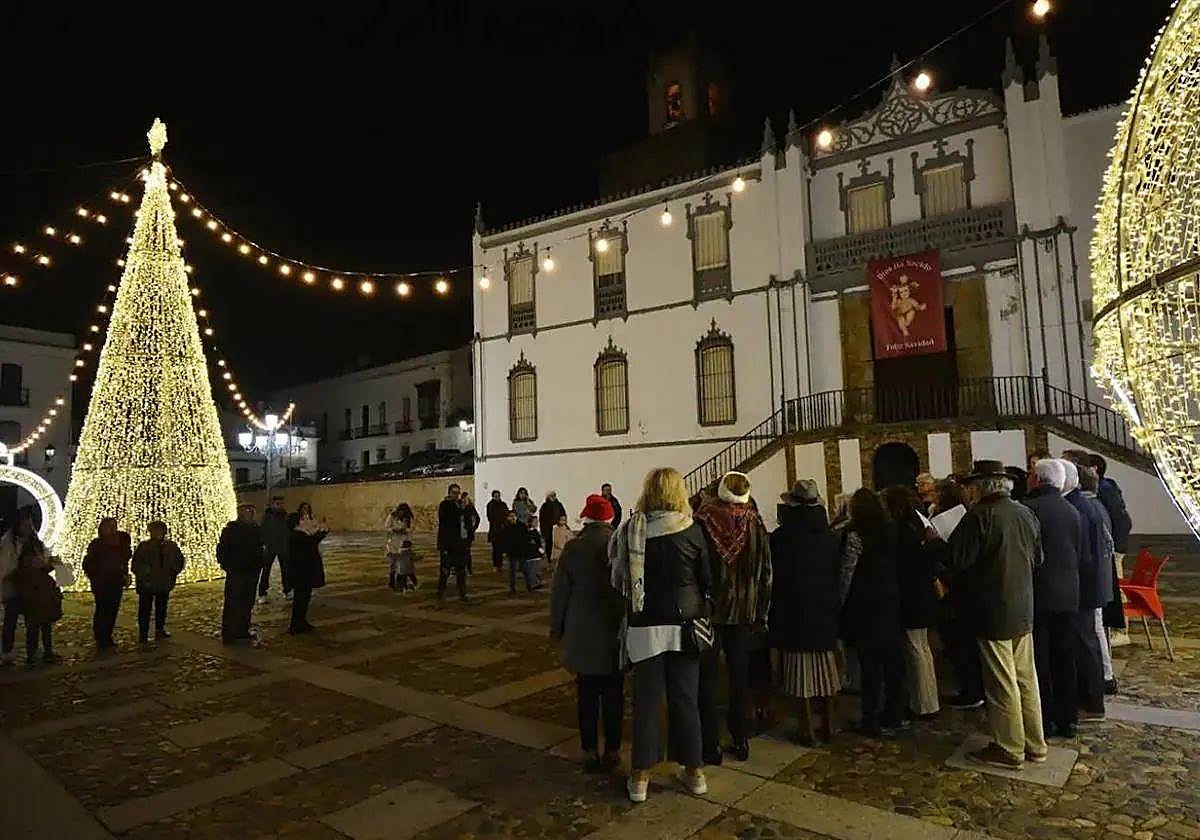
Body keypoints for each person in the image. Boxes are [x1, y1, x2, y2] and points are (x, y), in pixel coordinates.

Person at [611, 466, 712, 803]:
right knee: (686, 699)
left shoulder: (633, 531)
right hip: (686, 625)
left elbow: (619, 579)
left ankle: (640, 777)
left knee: (647, 702)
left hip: (646, 625)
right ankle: (695, 772)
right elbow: (706, 580)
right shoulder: (693, 530)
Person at [949, 460, 1047, 770]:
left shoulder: (979, 516)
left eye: (972, 486)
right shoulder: (1024, 512)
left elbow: (959, 562)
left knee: (1001, 681)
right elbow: (1038, 558)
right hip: (1023, 606)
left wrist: (936, 543)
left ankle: (1009, 748)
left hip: (992, 609)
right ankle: (1035, 743)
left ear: (980, 487)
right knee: (1025, 678)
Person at [693, 471, 772, 762]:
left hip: (710, 611)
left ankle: (710, 744)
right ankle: (741, 739)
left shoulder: (703, 521)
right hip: (744, 611)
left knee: (708, 678)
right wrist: (761, 611)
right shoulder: (755, 523)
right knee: (740, 678)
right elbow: (766, 572)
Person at [550, 494, 625, 772]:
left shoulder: (573, 548)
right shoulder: (620, 545)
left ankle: (590, 749)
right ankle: (614, 749)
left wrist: (556, 628)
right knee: (615, 695)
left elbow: (560, 593)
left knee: (588, 696)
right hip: (615, 630)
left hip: (583, 632)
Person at [771, 480, 841, 744]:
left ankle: (806, 729)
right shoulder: (830, 537)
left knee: (801, 675)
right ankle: (830, 725)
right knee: (827, 671)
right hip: (824, 609)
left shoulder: (782, 538)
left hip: (794, 610)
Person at [1022, 458, 1082, 738]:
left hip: (1039, 593)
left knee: (1041, 660)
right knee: (1065, 657)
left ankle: (1044, 719)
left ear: (1036, 479)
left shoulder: (1029, 509)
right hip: (1068, 593)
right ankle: (1068, 718)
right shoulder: (1071, 510)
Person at [839, 488, 904, 736]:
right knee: (891, 661)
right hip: (890, 599)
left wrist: (840, 602)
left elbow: (847, 572)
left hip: (865, 603)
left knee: (870, 665)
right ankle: (893, 713)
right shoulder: (891, 529)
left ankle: (870, 719)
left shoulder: (856, 535)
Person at [883, 485, 940, 720]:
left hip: (911, 595)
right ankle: (927, 700)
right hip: (922, 592)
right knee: (922, 649)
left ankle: (924, 704)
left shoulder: (903, 529)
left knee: (916, 650)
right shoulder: (919, 523)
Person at [1059, 458, 1109, 721]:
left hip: (1084, 586)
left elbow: (1081, 554)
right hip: (1088, 585)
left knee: (1084, 643)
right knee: (1085, 641)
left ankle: (1092, 701)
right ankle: (1090, 697)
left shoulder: (1077, 507)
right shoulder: (1081, 504)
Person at [932, 480, 985, 710]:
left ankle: (972, 690)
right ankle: (972, 688)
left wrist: (934, 542)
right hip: (966, 589)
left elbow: (956, 557)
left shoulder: (962, 520)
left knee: (961, 643)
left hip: (958, 589)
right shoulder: (969, 516)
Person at [1077, 463, 1118, 696]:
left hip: (1093, 580)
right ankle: (1104, 674)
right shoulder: (1096, 505)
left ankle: (1104, 676)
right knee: (1096, 627)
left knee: (1095, 628)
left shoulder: (1088, 508)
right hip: (1099, 578)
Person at [1091, 453, 1131, 648]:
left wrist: (1113, 546)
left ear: (1094, 469)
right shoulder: (1107, 486)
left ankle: (1121, 631)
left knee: (1117, 587)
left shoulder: (1105, 489)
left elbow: (1117, 518)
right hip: (1113, 544)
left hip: (1113, 546)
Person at [217, 504, 265, 645]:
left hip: (252, 571)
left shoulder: (256, 529)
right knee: (233, 602)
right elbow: (222, 549)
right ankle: (229, 633)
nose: (250, 514)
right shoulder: (231, 530)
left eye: (252, 512)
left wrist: (260, 562)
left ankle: (242, 630)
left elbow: (261, 547)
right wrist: (228, 566)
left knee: (247, 602)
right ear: (240, 514)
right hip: (237, 571)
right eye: (247, 512)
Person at [83, 517, 132, 651]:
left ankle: (107, 635)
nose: (112, 529)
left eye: (114, 526)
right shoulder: (97, 545)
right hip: (102, 583)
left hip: (116, 581)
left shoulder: (120, 543)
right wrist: (96, 576)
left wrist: (124, 574)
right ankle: (100, 637)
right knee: (102, 609)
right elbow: (89, 564)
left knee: (112, 610)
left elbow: (124, 560)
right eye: (109, 526)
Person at [131, 521, 185, 643]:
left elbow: (179, 560)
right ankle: (143, 633)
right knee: (145, 608)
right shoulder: (144, 546)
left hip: (164, 583)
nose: (157, 534)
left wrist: (173, 572)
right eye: (154, 531)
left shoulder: (171, 546)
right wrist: (147, 574)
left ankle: (159, 629)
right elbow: (136, 564)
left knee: (161, 607)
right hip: (147, 584)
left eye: (159, 531)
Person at [0, 506, 37, 665]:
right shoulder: (8, 542)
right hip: (13, 587)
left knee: (33, 621)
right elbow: (5, 565)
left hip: (30, 587)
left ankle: (32, 652)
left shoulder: (34, 542)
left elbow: (44, 556)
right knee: (11, 620)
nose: (28, 529)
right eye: (25, 525)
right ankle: (6, 651)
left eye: (30, 525)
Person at [288, 502, 329, 633]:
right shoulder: (298, 535)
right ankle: (296, 624)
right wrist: (322, 533)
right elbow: (311, 543)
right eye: (303, 519)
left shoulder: (301, 534)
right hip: (301, 572)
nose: (306, 520)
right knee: (300, 599)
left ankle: (301, 621)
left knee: (304, 598)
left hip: (305, 570)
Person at [437, 483, 469, 602]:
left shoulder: (460, 505)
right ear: (449, 493)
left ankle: (462, 593)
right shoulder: (445, 505)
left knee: (461, 570)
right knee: (445, 570)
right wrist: (460, 509)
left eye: (458, 493)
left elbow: (468, 519)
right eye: (454, 493)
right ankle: (440, 592)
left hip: (460, 543)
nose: (457, 495)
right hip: (448, 544)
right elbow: (447, 521)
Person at [258, 496, 291, 604]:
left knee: (285, 570)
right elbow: (262, 530)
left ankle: (287, 590)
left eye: (281, 504)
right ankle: (262, 592)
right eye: (277, 504)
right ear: (273, 504)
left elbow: (289, 530)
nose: (279, 506)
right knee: (266, 571)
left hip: (283, 547)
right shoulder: (267, 517)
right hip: (270, 547)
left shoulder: (285, 516)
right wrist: (265, 544)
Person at [500, 511, 542, 593]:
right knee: (512, 571)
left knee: (525, 570)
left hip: (521, 551)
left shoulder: (521, 526)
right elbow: (504, 540)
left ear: (516, 516)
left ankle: (529, 586)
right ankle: (512, 588)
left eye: (513, 516)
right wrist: (504, 551)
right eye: (510, 516)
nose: (512, 518)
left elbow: (526, 537)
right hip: (512, 552)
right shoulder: (506, 527)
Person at [386, 503, 414, 590]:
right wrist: (393, 530)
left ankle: (401, 583)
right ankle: (391, 581)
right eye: (401, 512)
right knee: (393, 563)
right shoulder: (392, 516)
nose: (402, 514)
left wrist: (405, 531)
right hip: (393, 542)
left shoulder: (408, 519)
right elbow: (387, 527)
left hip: (403, 543)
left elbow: (411, 529)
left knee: (402, 565)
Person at [486, 490, 508, 571]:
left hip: (502, 529)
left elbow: (506, 513)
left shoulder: (503, 504)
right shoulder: (490, 505)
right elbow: (490, 516)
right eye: (495, 495)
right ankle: (496, 564)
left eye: (498, 495)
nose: (497, 497)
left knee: (501, 548)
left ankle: (500, 564)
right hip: (495, 529)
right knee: (495, 548)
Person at [539, 491, 567, 557]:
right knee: (549, 545)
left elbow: (563, 515)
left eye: (553, 495)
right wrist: (542, 530)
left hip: (558, 528)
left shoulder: (559, 505)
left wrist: (563, 524)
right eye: (551, 496)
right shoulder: (544, 506)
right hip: (547, 529)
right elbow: (542, 518)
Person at [460, 491, 481, 574]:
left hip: (467, 532)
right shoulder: (458, 506)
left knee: (467, 551)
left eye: (467, 498)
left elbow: (477, 518)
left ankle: (468, 568)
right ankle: (460, 568)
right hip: (458, 532)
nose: (465, 500)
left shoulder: (470, 508)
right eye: (464, 498)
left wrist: (473, 528)